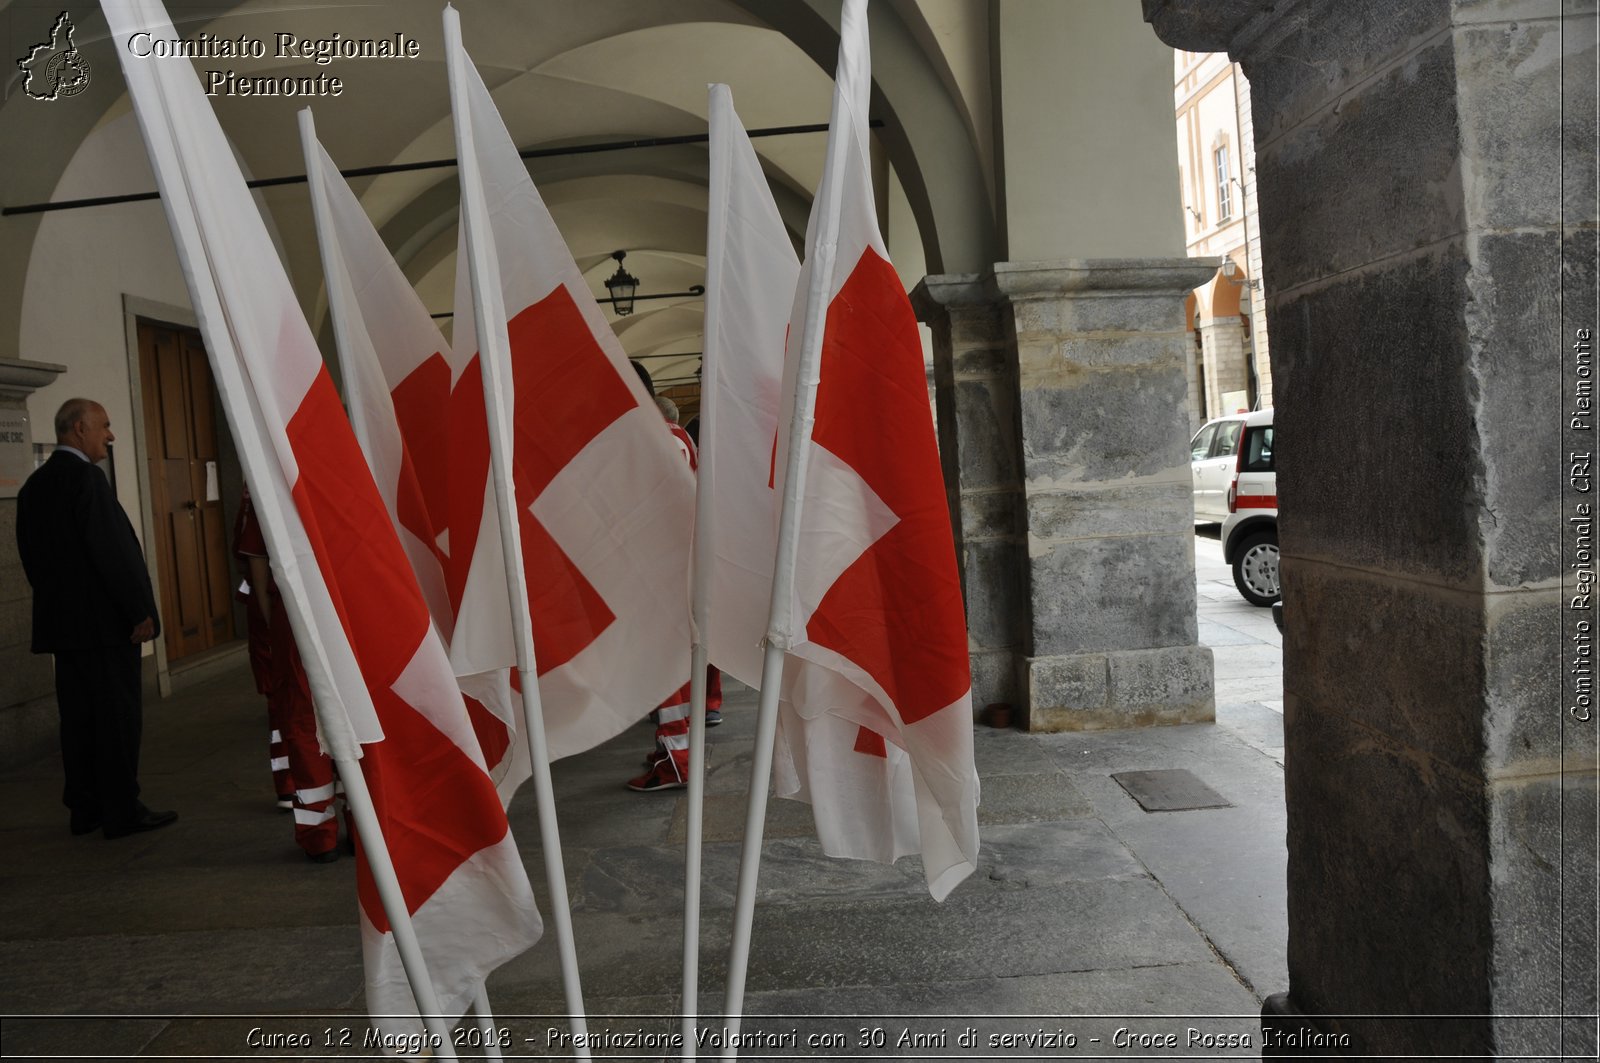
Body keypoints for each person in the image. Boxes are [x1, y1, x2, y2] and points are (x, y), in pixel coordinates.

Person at [16, 397, 176, 838]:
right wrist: (138, 610)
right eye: (104, 426)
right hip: (106, 628)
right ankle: (122, 810)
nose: (110, 435)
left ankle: (84, 808)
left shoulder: (34, 487)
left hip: (65, 631)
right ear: (78, 429)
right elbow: (112, 552)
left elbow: (31, 560)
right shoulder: (86, 480)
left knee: (80, 721)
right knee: (117, 720)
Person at [232, 489, 342, 863]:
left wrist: (272, 617)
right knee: (352, 714)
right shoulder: (338, 469)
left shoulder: (270, 483)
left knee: (300, 717)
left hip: (294, 611)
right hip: (345, 609)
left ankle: (319, 834)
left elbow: (257, 565)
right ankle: (361, 826)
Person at [628, 395, 724, 791]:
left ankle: (675, 760)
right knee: (679, 662)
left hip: (663, 567)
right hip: (684, 563)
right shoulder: (681, 436)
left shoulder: (658, 439)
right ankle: (675, 751)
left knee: (665, 667)